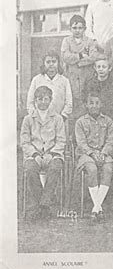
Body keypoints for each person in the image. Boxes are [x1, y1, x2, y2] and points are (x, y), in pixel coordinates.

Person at [21, 86, 66, 220]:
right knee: (30, 169)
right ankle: (42, 204)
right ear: (35, 100)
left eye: (45, 99)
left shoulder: (57, 119)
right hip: (33, 155)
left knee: (55, 167)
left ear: (50, 100)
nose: (42, 102)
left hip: (53, 154)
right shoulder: (28, 119)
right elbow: (25, 142)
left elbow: (61, 140)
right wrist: (35, 155)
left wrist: (51, 154)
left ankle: (43, 204)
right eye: (39, 99)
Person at [75, 91, 113, 223]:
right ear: (86, 105)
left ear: (101, 104)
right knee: (91, 169)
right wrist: (92, 153)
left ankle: (95, 209)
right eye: (91, 103)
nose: (94, 106)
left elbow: (110, 141)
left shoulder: (108, 121)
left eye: (97, 103)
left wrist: (103, 153)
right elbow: (81, 143)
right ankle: (98, 208)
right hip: (86, 155)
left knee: (108, 169)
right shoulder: (80, 122)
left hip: (104, 153)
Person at [61, 14, 100, 118]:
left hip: (86, 77)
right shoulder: (67, 41)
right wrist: (80, 55)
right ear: (70, 29)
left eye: (80, 28)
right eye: (74, 28)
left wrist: (78, 63)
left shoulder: (89, 42)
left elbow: (93, 57)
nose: (77, 30)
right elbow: (65, 56)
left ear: (85, 28)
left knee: (85, 102)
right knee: (72, 103)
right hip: (71, 78)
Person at [26, 51, 72, 119]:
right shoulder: (36, 80)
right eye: (48, 62)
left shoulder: (64, 81)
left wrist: (63, 117)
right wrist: (35, 117)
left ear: (58, 63)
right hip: (40, 121)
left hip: (59, 120)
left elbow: (69, 103)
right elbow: (30, 102)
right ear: (44, 64)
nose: (51, 64)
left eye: (54, 62)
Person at [82, 54, 113, 128]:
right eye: (98, 67)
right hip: (94, 118)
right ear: (95, 68)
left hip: (112, 117)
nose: (101, 69)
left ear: (109, 68)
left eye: (104, 67)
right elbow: (85, 100)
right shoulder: (90, 83)